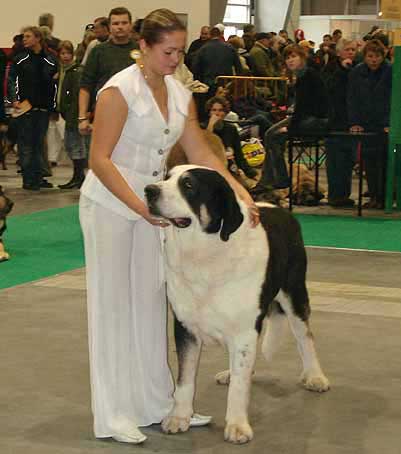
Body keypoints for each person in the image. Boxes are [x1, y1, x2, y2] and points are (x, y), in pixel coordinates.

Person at [79, 8, 258, 445]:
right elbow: (99, 160)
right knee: (112, 309)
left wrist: (240, 191)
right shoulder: (118, 91)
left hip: (155, 208)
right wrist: (140, 206)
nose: (175, 59)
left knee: (149, 306)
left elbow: (200, 148)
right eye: (167, 51)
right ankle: (114, 413)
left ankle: (156, 403)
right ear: (143, 47)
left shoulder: (180, 94)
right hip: (111, 206)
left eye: (180, 51)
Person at [253, 44, 328, 193]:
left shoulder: (308, 75)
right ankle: (270, 180)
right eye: (287, 58)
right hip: (305, 117)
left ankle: (278, 179)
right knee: (270, 133)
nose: (290, 60)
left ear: (302, 57)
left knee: (273, 135)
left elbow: (308, 107)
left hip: (315, 120)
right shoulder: (301, 76)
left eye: (294, 56)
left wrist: (291, 127)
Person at [7, 26, 58, 190]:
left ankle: (39, 177)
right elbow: (11, 80)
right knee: (26, 145)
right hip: (24, 108)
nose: (25, 40)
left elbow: (56, 84)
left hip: (43, 109)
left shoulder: (50, 59)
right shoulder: (19, 59)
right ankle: (28, 179)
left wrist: (54, 107)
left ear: (38, 38)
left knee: (38, 145)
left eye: (28, 36)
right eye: (24, 37)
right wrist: (14, 99)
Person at [78, 6, 138, 136]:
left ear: (130, 25)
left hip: (135, 115)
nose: (120, 27)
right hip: (103, 113)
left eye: (124, 23)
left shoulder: (142, 50)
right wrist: (82, 117)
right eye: (116, 23)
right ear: (109, 27)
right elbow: (85, 86)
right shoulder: (98, 51)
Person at [348, 39, 392, 209]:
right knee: (369, 162)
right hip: (365, 124)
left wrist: (390, 122)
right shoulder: (356, 72)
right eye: (370, 56)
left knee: (386, 161)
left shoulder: (391, 71)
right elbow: (352, 99)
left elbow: (393, 99)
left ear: (384, 56)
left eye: (377, 56)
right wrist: (354, 122)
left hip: (385, 124)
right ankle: (375, 196)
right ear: (365, 56)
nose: (374, 60)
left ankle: (385, 197)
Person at [325, 39, 358, 207]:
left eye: (353, 49)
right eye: (347, 49)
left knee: (348, 159)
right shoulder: (331, 69)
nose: (351, 52)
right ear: (338, 52)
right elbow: (329, 91)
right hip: (335, 121)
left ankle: (344, 195)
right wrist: (342, 71)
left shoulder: (357, 69)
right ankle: (334, 196)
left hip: (351, 121)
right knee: (335, 161)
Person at [57, 41, 90, 189]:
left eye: (68, 53)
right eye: (62, 53)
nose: (65, 56)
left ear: (73, 54)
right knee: (72, 146)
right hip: (68, 114)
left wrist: (76, 114)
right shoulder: (63, 71)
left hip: (74, 115)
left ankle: (79, 177)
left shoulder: (76, 72)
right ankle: (77, 176)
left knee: (75, 146)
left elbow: (76, 96)